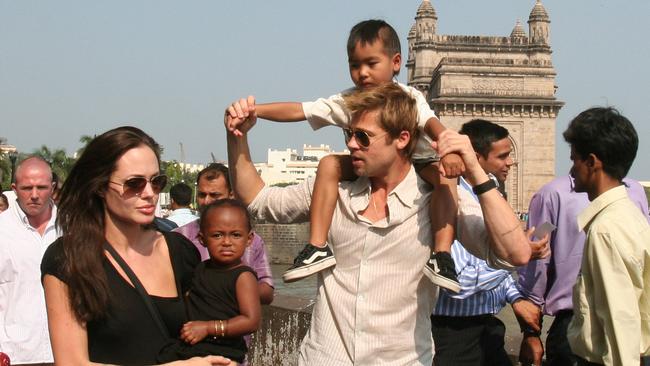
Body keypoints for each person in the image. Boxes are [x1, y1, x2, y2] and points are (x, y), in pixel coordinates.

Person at [226, 83, 531, 365]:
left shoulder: (438, 197)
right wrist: (237, 136)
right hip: (325, 358)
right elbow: (259, 201)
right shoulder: (333, 190)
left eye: (363, 137)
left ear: (402, 139)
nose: (351, 145)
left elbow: (514, 254)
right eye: (348, 134)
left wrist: (476, 171)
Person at [226, 19, 464, 291]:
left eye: (371, 64)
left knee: (446, 179)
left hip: (421, 164)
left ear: (396, 62)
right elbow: (300, 110)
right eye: (354, 65)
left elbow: (434, 126)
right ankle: (316, 246)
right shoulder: (349, 101)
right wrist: (254, 112)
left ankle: (441, 255)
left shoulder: (409, 98)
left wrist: (449, 149)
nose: (362, 73)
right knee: (328, 163)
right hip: (370, 168)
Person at [40, 126, 231, 366]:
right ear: (100, 187)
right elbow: (71, 363)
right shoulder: (67, 259)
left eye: (156, 181)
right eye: (134, 184)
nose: (150, 193)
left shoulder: (180, 251)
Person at [431, 119, 550, 366]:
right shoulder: (449, 195)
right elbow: (461, 279)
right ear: (475, 157)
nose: (510, 162)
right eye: (503, 156)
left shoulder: (492, 191)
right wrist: (513, 257)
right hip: (451, 333)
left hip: (488, 327)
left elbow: (488, 266)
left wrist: (515, 297)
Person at [516, 175, 649, 366]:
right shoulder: (554, 196)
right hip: (577, 325)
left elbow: (537, 263)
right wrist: (531, 332)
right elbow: (538, 251)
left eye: (574, 158)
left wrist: (530, 332)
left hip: (625, 323)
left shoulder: (555, 194)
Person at [562, 107, 649, 365]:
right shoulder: (631, 216)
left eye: (574, 159)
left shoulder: (606, 229)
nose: (571, 169)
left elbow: (620, 319)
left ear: (592, 162)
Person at [158, 199, 261, 365]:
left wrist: (207, 328)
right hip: (191, 345)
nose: (227, 242)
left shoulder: (243, 277)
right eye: (217, 235)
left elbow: (251, 321)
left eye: (236, 235)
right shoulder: (200, 269)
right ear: (202, 239)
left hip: (221, 349)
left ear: (249, 239)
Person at [174, 163, 274, 305]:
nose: (206, 201)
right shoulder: (179, 237)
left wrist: (232, 289)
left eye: (215, 195)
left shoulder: (254, 241)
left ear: (231, 195)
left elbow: (267, 291)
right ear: (202, 239)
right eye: (202, 195)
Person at [0, 157, 58, 365]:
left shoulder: (72, 227)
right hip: (13, 355)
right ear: (14, 188)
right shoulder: (2, 231)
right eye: (27, 188)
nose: (34, 195)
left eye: (41, 187)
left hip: (65, 352)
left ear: (52, 188)